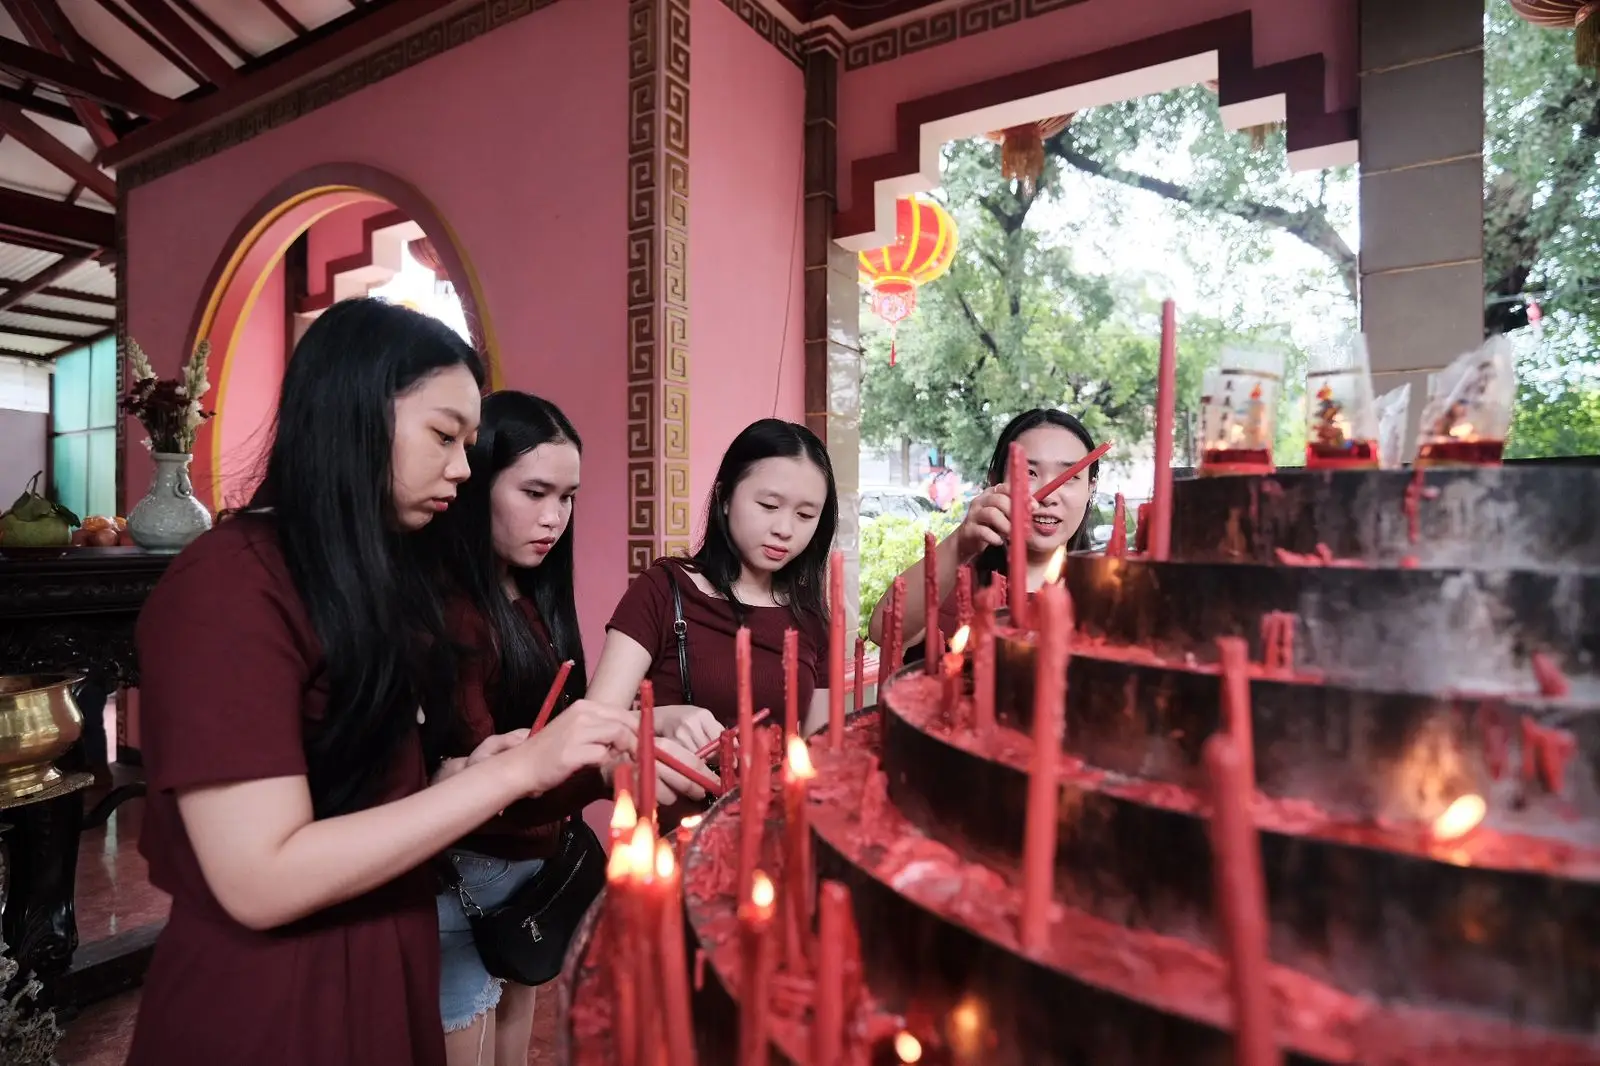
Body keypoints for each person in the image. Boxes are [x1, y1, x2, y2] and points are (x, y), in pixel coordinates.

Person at [125, 299, 637, 1066]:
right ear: (354, 414)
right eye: (443, 436)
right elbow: (260, 876)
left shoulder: (364, 583)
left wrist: (470, 771)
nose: (463, 468)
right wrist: (519, 772)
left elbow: (365, 789)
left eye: (468, 443)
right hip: (279, 997)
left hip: (388, 958)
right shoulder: (229, 585)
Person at [424, 391, 708, 1065]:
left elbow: (556, 719)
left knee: (518, 1040)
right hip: (470, 869)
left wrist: (648, 719)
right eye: (534, 492)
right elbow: (487, 776)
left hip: (530, 868)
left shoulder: (528, 589)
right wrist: (606, 771)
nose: (555, 517)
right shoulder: (452, 611)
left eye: (569, 497)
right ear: (473, 481)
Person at [588, 419, 839, 755]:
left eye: (805, 515)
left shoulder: (808, 616)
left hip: (775, 806)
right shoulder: (664, 589)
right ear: (724, 497)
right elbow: (593, 725)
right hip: (677, 802)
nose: (785, 529)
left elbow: (820, 753)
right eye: (768, 506)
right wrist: (659, 720)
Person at [866, 409, 1100, 662]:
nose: (1049, 496)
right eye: (1029, 472)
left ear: (1091, 488)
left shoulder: (1107, 593)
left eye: (1070, 477)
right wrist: (959, 544)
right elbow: (885, 632)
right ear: (994, 481)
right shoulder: (955, 580)